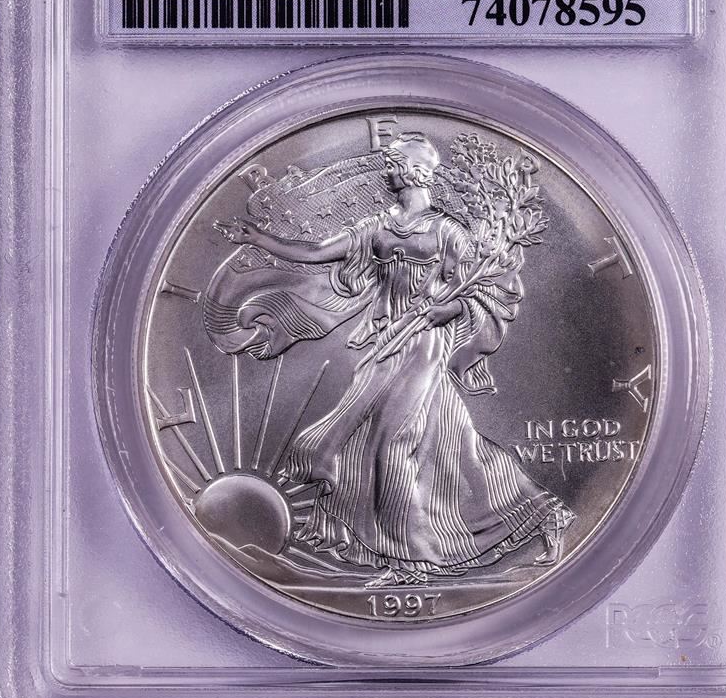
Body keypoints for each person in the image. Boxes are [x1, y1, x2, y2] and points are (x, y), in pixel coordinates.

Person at [214, 133, 574, 586]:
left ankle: (411, 563)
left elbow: (487, 288)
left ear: (416, 171)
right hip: (386, 342)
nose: (388, 171)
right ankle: (541, 514)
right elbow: (318, 253)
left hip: (425, 343)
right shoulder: (378, 226)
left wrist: (449, 308)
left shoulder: (448, 231)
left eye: (394, 164)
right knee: (444, 444)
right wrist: (258, 238)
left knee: (392, 441)